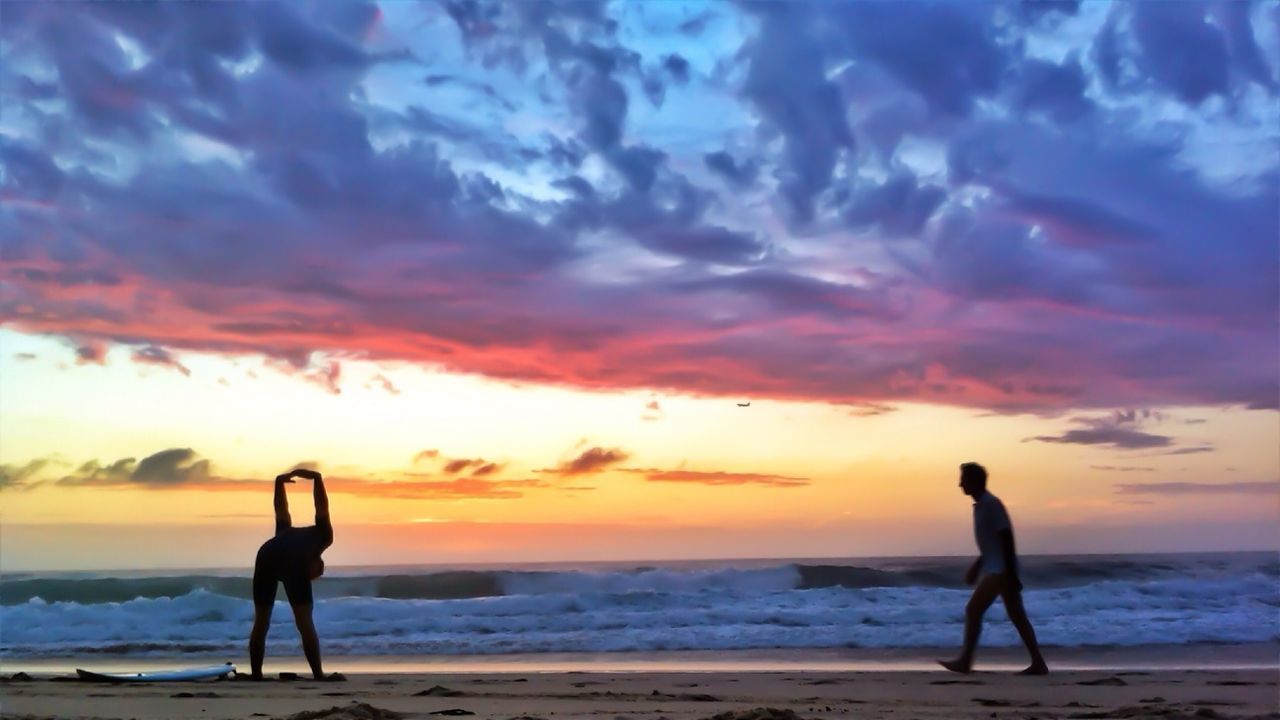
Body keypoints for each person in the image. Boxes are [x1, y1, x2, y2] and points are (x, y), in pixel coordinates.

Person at [939, 462, 1048, 675]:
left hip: (1000, 570)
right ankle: (1038, 663)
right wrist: (977, 566)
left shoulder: (991, 504)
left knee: (973, 610)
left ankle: (965, 661)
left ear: (975, 481)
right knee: (1017, 616)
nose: (960, 484)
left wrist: (1011, 574)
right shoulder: (981, 506)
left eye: (964, 479)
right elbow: (991, 543)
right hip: (997, 567)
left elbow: (1006, 537)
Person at [248, 468, 337, 680]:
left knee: (261, 622)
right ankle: (318, 675)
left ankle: (256, 675)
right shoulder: (324, 536)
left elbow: (281, 508)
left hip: (266, 555)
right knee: (305, 622)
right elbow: (321, 507)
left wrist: (279, 483)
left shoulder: (284, 531)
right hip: (290, 560)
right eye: (314, 575)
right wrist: (317, 479)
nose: (312, 579)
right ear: (316, 563)